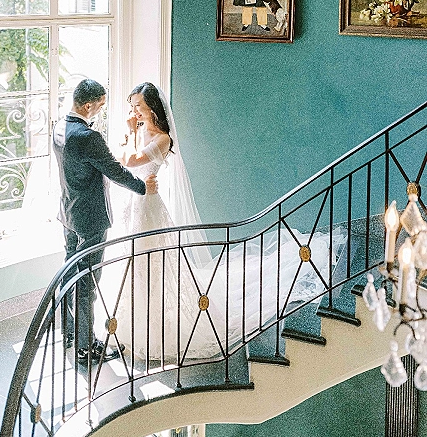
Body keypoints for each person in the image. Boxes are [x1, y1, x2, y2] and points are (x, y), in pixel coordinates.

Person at [112, 82, 344, 363]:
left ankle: (156, 326)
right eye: (132, 105)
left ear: (152, 107)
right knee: (133, 263)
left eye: (139, 105)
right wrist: (130, 137)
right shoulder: (140, 130)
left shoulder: (163, 138)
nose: (134, 110)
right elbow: (126, 159)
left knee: (152, 264)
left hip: (148, 206)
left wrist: (126, 136)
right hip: (135, 201)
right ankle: (130, 324)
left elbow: (132, 161)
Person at [52, 78, 157, 364]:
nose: (100, 111)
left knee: (70, 274)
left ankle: (71, 335)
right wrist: (143, 188)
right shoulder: (88, 137)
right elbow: (114, 170)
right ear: (88, 105)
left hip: (68, 214)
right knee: (87, 282)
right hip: (90, 219)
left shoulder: (59, 127)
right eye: (99, 106)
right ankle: (87, 348)